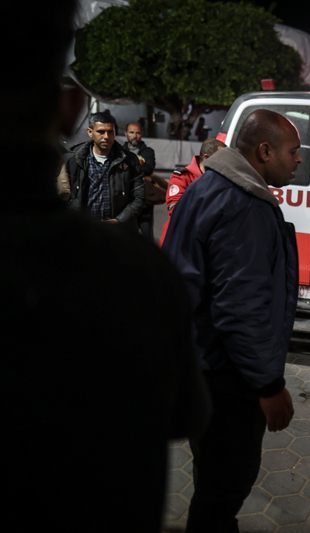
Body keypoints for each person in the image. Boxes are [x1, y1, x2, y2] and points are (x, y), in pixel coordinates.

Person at [3, 2, 210, 531]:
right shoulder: (139, 277)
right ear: (71, 108)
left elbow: (140, 197)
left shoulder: (131, 186)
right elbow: (184, 415)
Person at [162, 109, 301, 533]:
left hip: (202, 364)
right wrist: (268, 385)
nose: (298, 160)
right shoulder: (243, 204)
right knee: (224, 488)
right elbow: (240, 308)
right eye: (293, 152)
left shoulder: (208, 186)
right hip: (228, 379)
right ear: (265, 151)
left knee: (211, 477)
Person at [66, 110, 145, 228]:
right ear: (90, 132)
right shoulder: (74, 160)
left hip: (118, 231)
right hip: (83, 229)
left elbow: (139, 197)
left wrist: (119, 221)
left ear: (115, 132)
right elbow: (64, 197)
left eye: (110, 132)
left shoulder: (130, 160)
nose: (106, 137)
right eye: (101, 132)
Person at [159, 138, 225, 246]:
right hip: (178, 241)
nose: (225, 164)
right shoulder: (181, 177)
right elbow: (176, 211)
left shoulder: (221, 179)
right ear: (207, 158)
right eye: (221, 160)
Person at [124, 122, 159, 240]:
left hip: (145, 200)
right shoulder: (120, 151)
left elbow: (149, 169)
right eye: (131, 132)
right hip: (125, 201)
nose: (135, 136)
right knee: (125, 236)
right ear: (126, 133)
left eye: (138, 133)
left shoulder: (148, 152)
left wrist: (129, 166)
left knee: (146, 235)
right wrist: (139, 165)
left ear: (142, 134)